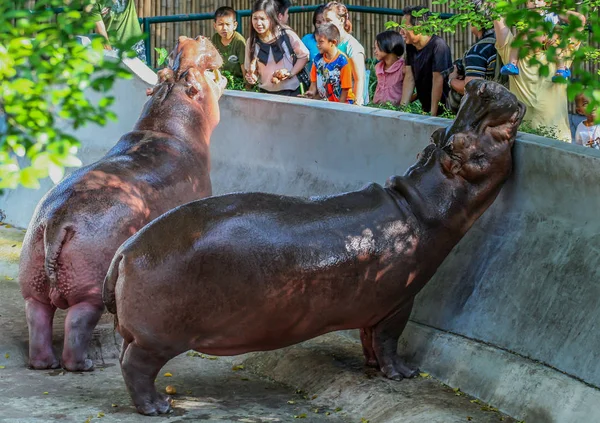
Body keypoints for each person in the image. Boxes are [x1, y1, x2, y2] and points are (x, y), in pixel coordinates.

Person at [494, 9, 586, 142]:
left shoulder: (561, 54)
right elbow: (497, 15)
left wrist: (551, 9)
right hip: (522, 139)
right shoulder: (512, 53)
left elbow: (579, 20)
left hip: (557, 140)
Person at [244, 0, 309, 96]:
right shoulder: (251, 42)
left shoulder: (287, 35)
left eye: (263, 18)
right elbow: (252, 70)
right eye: (255, 18)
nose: (258, 23)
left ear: (272, 18)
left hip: (292, 92)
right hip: (266, 94)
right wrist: (252, 77)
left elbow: (304, 56)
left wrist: (290, 73)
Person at [400, 5, 452, 116]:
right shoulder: (410, 46)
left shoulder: (438, 46)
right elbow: (409, 78)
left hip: (445, 110)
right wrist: (402, 110)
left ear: (418, 26)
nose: (401, 32)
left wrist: (432, 115)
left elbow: (438, 81)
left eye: (404, 27)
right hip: (425, 107)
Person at [500, 0, 569, 82]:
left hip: (547, 41)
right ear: (527, 3)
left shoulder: (549, 14)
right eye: (531, 1)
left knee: (556, 49)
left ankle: (561, 69)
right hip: (530, 42)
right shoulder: (526, 15)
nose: (535, 3)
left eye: (539, 0)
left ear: (547, 3)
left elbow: (557, 28)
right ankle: (512, 64)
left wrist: (554, 37)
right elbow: (521, 28)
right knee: (516, 42)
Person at [323, 1, 367, 105]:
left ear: (341, 20)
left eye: (328, 20)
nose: (325, 24)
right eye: (324, 20)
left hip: (348, 104)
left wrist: (355, 106)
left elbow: (359, 79)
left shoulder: (352, 46)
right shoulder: (330, 43)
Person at [304, 23, 355, 104]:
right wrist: (311, 93)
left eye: (321, 42)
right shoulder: (317, 60)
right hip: (326, 102)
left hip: (343, 103)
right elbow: (314, 83)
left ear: (333, 42)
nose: (317, 45)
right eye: (317, 41)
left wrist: (339, 108)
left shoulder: (343, 61)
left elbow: (345, 89)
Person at [211, 7, 246, 78]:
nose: (224, 28)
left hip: (238, 80)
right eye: (220, 24)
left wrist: (246, 86)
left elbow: (244, 65)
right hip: (221, 79)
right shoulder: (215, 38)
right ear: (215, 26)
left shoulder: (239, 41)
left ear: (235, 25)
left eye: (228, 24)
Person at [372, 30, 405, 106]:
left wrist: (402, 104)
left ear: (388, 45)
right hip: (377, 108)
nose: (375, 51)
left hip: (395, 111)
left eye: (377, 48)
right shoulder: (378, 67)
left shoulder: (402, 68)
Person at [301, 5, 327, 72]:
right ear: (314, 23)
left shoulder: (337, 41)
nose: (322, 25)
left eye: (325, 21)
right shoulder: (307, 40)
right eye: (318, 22)